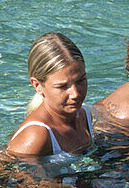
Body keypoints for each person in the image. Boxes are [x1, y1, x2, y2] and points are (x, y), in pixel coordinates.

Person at [6, 32, 93, 160]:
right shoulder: (35, 137)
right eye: (62, 86)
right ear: (37, 86)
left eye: (81, 80)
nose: (75, 94)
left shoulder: (85, 115)